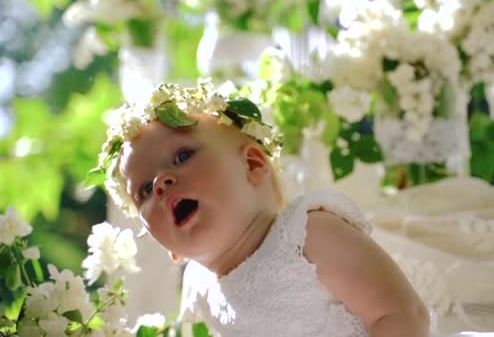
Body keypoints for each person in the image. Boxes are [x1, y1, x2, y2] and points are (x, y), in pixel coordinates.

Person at [92, 79, 430, 336]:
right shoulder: (198, 286)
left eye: (182, 156)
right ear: (168, 249)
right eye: (145, 190)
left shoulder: (306, 235)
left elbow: (402, 313)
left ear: (252, 164)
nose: (162, 181)